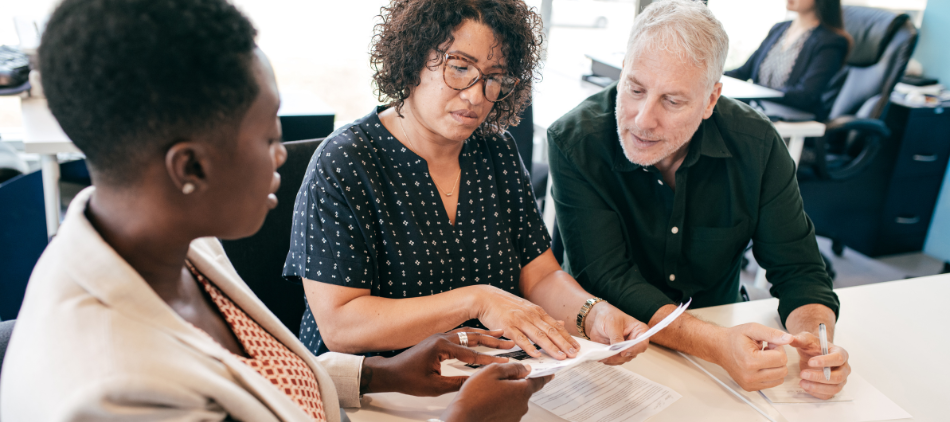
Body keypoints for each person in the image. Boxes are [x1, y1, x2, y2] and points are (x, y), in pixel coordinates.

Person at [0, 0, 551, 421]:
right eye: (268, 138)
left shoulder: (182, 246)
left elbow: (263, 374)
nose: (284, 157)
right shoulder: (111, 390)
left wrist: (377, 375)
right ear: (190, 168)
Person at [283, 0, 650, 363]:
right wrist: (477, 299)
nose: (476, 96)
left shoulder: (496, 150)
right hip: (371, 391)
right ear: (412, 58)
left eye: (493, 78)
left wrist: (593, 314)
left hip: (485, 379)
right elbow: (340, 325)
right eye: (459, 68)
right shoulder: (346, 162)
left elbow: (539, 276)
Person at [547, 0, 851, 400]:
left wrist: (815, 344)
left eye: (672, 101)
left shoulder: (757, 146)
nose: (642, 119)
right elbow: (609, 277)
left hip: (720, 342)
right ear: (622, 74)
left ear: (711, 100)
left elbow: (800, 270)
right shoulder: (576, 140)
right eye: (635, 89)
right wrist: (716, 345)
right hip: (610, 347)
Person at [724, 0, 851, 120]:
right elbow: (742, 72)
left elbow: (806, 95)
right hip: (762, 111)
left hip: (796, 121)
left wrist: (759, 92)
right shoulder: (779, 29)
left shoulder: (831, 41)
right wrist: (712, 78)